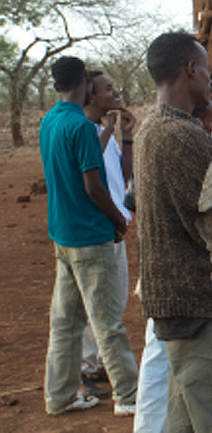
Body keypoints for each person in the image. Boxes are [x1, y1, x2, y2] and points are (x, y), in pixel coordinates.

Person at [136, 32, 212, 433]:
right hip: (205, 307)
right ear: (190, 70)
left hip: (171, 306)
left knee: (185, 429)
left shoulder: (148, 128)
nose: (209, 80)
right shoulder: (188, 139)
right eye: (205, 71)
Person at [39, 57, 139, 416]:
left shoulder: (50, 121)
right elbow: (94, 187)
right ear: (84, 81)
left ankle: (59, 396)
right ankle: (129, 396)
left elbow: (81, 168)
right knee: (107, 322)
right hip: (91, 236)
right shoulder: (80, 127)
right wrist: (118, 219)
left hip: (63, 236)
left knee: (65, 323)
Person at [132, 100, 212, 433]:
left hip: (168, 276)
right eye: (208, 124)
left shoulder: (155, 137)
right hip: (172, 280)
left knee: (169, 366)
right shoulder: (175, 146)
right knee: (159, 363)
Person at [77, 70, 136, 398]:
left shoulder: (102, 130)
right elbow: (88, 168)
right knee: (96, 301)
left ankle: (99, 361)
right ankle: (88, 365)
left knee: (114, 297)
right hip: (100, 226)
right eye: (108, 89)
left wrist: (124, 136)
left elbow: (121, 174)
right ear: (91, 96)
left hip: (113, 224)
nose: (115, 93)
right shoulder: (85, 130)